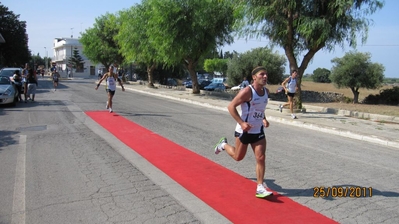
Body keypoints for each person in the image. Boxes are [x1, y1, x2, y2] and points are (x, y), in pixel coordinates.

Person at [214, 66, 273, 198]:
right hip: (244, 131)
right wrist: (241, 123)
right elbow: (231, 107)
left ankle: (260, 187)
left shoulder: (266, 92)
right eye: (262, 74)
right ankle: (223, 145)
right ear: (254, 77)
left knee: (261, 157)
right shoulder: (247, 91)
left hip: (258, 130)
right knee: (238, 157)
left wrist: (264, 119)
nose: (265, 77)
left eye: (266, 74)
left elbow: (260, 109)